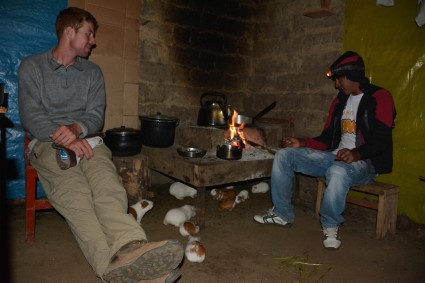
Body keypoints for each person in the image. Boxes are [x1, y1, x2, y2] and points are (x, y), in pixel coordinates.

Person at [18, 7, 183, 282]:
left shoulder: (92, 72)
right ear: (69, 32)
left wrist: (77, 131)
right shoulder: (32, 67)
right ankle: (109, 266)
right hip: (48, 143)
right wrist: (67, 139)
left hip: (89, 141)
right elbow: (32, 116)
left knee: (108, 187)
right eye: (89, 34)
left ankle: (131, 248)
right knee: (76, 194)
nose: (93, 41)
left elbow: (95, 114)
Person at [254, 51, 396, 249]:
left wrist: (356, 153)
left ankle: (330, 226)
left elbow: (382, 141)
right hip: (334, 157)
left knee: (338, 170)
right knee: (284, 155)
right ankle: (282, 214)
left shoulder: (380, 97)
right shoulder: (340, 102)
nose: (336, 84)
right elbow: (328, 138)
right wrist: (302, 142)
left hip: (364, 164)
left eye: (338, 79)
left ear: (350, 75)